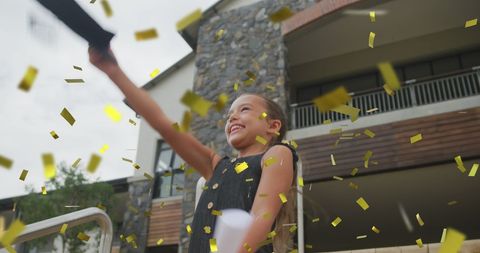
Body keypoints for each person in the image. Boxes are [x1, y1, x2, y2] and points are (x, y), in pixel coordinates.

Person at [89, 47, 298, 253]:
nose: (232, 117)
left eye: (244, 109)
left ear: (273, 126)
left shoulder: (278, 154)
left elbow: (262, 215)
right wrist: (113, 71)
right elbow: (164, 124)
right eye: (229, 115)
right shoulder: (217, 166)